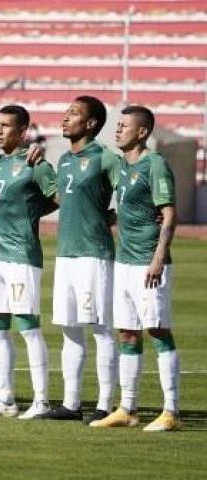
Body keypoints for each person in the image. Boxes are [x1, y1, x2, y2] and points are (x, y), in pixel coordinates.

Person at [91, 105, 180, 432]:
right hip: (124, 262)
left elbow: (168, 214)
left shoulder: (155, 165)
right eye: (118, 125)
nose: (118, 130)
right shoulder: (123, 168)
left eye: (124, 126)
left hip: (147, 263)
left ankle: (171, 411)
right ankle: (127, 408)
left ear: (142, 132)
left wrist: (158, 258)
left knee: (158, 331)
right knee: (127, 333)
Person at [0, 105, 57, 419]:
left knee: (28, 328)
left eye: (6, 126)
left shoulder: (36, 164)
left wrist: (34, 212)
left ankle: (42, 400)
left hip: (22, 255)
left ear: (22, 132)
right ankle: (5, 398)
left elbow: (59, 197)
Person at [38, 96, 120, 423]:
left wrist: (119, 216)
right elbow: (63, 198)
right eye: (66, 111)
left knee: (100, 329)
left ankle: (105, 404)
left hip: (93, 255)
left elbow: (128, 189)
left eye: (74, 114)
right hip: (67, 254)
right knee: (69, 329)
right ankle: (71, 404)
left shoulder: (105, 158)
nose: (65, 118)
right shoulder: (65, 161)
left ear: (91, 124)